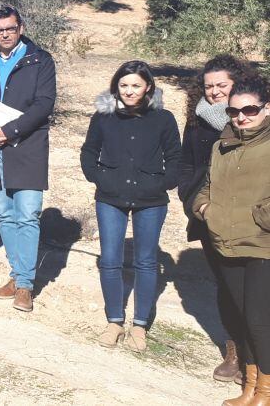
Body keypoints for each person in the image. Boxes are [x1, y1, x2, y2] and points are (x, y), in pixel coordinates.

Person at [80, 61, 181, 351]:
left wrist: (164, 182)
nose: (129, 91)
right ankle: (114, 321)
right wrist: (97, 176)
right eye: (124, 85)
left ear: (148, 86)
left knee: (146, 261)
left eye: (135, 85)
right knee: (110, 258)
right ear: (116, 87)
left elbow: (175, 155)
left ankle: (139, 325)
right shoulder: (103, 117)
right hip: (110, 197)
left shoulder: (163, 118)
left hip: (151, 198)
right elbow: (89, 151)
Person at [0, 6, 56, 312]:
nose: (5, 34)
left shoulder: (40, 59)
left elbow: (44, 104)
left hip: (27, 147)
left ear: (21, 27)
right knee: (4, 214)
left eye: (11, 28)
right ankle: (17, 277)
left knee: (28, 214)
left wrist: (9, 129)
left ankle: (25, 286)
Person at [194, 76, 270, 406]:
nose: (241, 117)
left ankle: (267, 392)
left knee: (259, 320)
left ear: (266, 109)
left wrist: (260, 218)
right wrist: (205, 209)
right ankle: (250, 389)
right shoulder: (221, 145)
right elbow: (207, 186)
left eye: (250, 110)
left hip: (262, 244)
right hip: (226, 241)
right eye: (234, 111)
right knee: (242, 319)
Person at [179, 55, 255, 382]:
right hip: (209, 217)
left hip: (250, 219)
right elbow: (185, 165)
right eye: (208, 86)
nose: (213, 92)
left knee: (254, 290)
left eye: (221, 85)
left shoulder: (252, 118)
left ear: (236, 83)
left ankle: (257, 359)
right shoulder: (197, 121)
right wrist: (191, 198)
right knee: (226, 287)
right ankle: (235, 352)